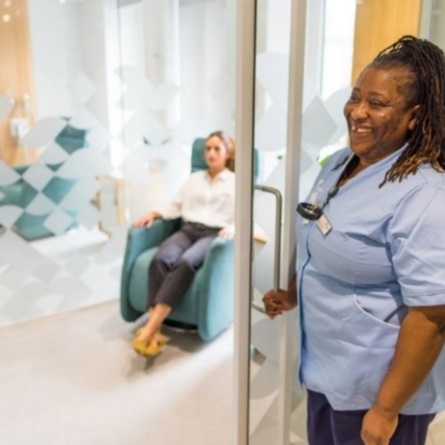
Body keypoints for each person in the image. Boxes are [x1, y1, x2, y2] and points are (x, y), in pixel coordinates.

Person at [263, 36, 445, 445]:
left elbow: (431, 318)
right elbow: (323, 233)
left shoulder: (427, 196)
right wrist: (293, 291)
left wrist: (384, 410)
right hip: (329, 368)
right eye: (355, 97)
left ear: (415, 116)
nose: (357, 112)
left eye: (377, 104)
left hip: (380, 388)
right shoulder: (342, 162)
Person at [132, 131, 235, 357]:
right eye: (207, 149)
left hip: (213, 234)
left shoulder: (236, 182)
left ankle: (149, 328)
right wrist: (154, 213)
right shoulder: (194, 179)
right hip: (188, 229)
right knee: (161, 258)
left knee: (187, 262)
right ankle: (156, 329)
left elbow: (245, 214)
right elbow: (174, 205)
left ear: (228, 153)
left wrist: (233, 228)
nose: (210, 153)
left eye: (217, 149)